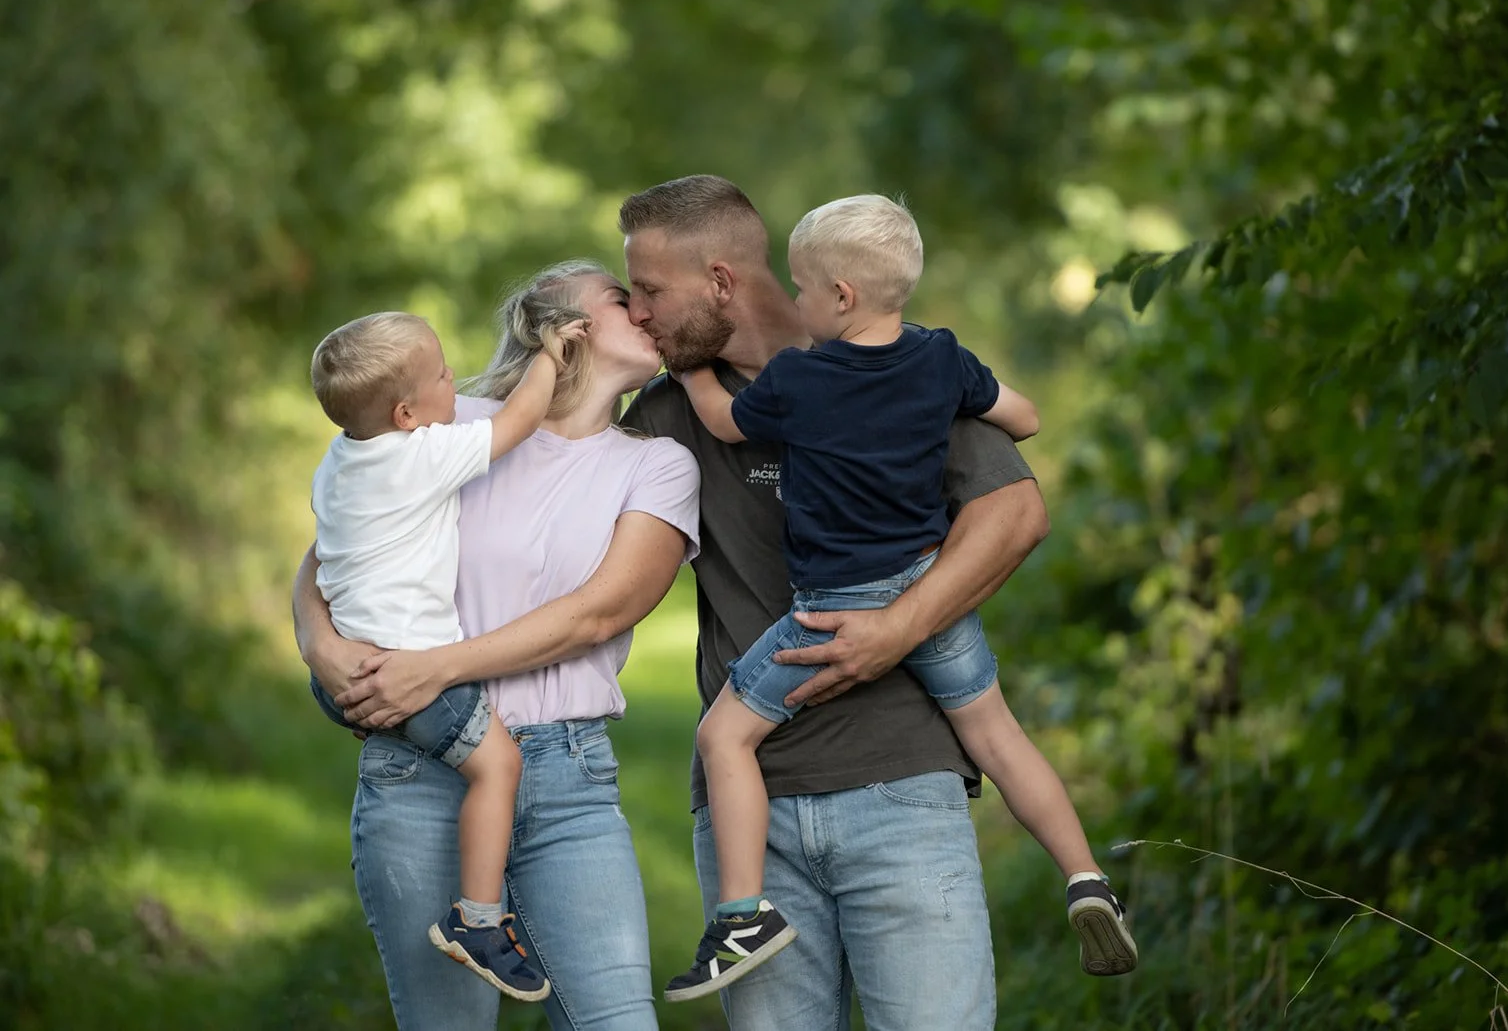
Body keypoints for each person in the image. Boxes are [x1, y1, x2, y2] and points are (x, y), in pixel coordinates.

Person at [661, 193, 1136, 1003]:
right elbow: (1024, 416)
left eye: (806, 290)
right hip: (928, 591)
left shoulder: (801, 379)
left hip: (832, 606)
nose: (797, 302)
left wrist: (692, 367)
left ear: (840, 297)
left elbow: (724, 422)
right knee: (998, 735)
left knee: (724, 737)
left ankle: (743, 914)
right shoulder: (942, 358)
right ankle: (1087, 876)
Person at [292, 260, 699, 1031]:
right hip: (421, 772)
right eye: (622, 298)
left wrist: (435, 668)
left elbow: (596, 613)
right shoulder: (450, 426)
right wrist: (318, 644)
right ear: (563, 328)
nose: (646, 311)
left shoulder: (655, 464)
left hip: (567, 782)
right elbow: (331, 552)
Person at [307, 307, 588, 1000]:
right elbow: (516, 421)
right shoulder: (420, 455)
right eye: (440, 374)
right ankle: (479, 918)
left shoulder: (338, 462)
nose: (452, 379)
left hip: (342, 670)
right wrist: (549, 357)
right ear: (406, 413)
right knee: (499, 764)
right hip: (411, 672)